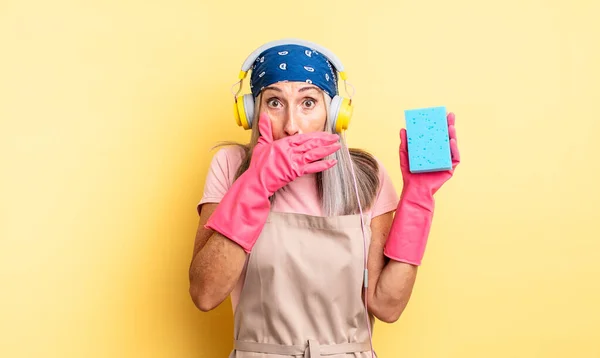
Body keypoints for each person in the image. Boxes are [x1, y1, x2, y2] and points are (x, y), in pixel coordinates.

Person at [188, 38, 460, 357]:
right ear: (251, 111)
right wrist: (255, 185)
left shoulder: (367, 176)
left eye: (308, 103)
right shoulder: (232, 166)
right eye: (274, 102)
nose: (291, 126)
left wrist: (418, 198)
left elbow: (388, 306)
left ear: (334, 113)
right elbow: (204, 294)